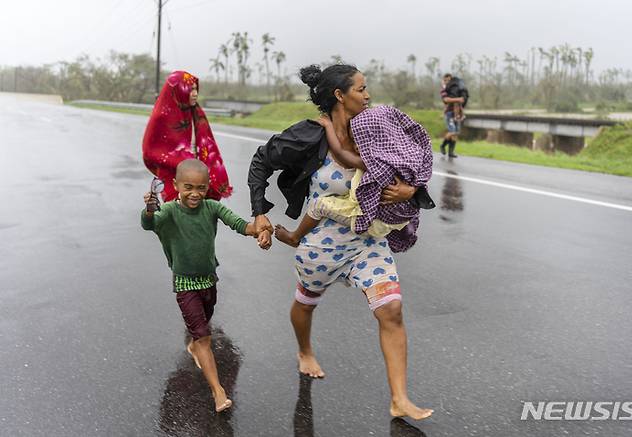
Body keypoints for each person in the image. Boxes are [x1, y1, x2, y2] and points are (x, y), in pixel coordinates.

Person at [248, 64, 433, 420]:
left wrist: (411, 190)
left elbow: (411, 167)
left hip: (367, 242)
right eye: (361, 89)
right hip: (322, 243)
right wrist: (259, 212)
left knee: (391, 310)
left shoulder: (378, 129)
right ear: (339, 95)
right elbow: (261, 160)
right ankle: (304, 350)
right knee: (306, 302)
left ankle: (399, 399)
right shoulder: (309, 134)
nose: (368, 95)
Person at [141, 159, 270, 413]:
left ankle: (195, 343)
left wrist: (261, 231)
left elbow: (241, 225)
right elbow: (150, 224)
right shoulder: (169, 211)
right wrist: (148, 209)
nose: (194, 193)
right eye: (188, 187)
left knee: (205, 320)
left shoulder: (211, 207)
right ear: (176, 184)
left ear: (208, 186)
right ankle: (218, 391)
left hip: (209, 280)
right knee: (204, 337)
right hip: (185, 282)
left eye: (200, 188)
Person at [274, 105, 435, 254]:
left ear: (376, 139)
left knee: (319, 205)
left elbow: (341, 153)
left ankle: (294, 237)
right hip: (397, 218)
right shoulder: (401, 158)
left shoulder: (375, 163)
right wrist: (413, 190)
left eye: (359, 140)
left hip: (374, 221)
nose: (356, 147)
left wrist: (329, 126)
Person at [143, 70, 232, 202]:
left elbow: (206, 145)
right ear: (178, 91)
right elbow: (150, 151)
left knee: (203, 217)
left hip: (199, 175)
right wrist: (182, 161)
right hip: (174, 177)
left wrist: (199, 168)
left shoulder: (196, 113)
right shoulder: (161, 117)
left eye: (196, 89)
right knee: (178, 217)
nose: (195, 94)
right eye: (190, 90)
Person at [439, 73, 466, 158]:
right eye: (446, 80)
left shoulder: (456, 89)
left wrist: (462, 113)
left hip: (457, 113)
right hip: (449, 113)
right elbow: (446, 100)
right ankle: (442, 146)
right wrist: (458, 99)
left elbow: (460, 103)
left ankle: (451, 152)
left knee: (456, 133)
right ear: (443, 81)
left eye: (449, 80)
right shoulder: (444, 90)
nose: (448, 82)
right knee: (452, 131)